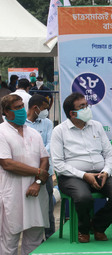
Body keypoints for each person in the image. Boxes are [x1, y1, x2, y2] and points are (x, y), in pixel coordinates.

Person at [51, 92, 112, 243]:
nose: (87, 108)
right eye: (82, 107)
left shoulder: (97, 126)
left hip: (100, 174)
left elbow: (109, 153)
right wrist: (83, 175)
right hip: (72, 177)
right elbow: (58, 164)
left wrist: (106, 171)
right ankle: (83, 229)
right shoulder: (59, 131)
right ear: (72, 113)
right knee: (83, 197)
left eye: (86, 105)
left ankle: (98, 226)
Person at [0, 94, 50, 255]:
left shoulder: (33, 133)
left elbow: (44, 158)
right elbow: (7, 163)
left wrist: (38, 182)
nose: (22, 110)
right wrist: (38, 172)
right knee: (9, 240)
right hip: (12, 193)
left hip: (35, 192)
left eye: (22, 106)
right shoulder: (2, 132)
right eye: (17, 108)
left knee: (35, 239)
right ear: (6, 112)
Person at [26, 94, 55, 239]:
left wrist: (39, 157)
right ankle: (31, 234)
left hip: (45, 170)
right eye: (44, 108)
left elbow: (50, 144)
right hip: (26, 170)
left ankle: (49, 234)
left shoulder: (47, 123)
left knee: (47, 204)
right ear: (35, 107)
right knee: (27, 204)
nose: (46, 111)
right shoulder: (21, 124)